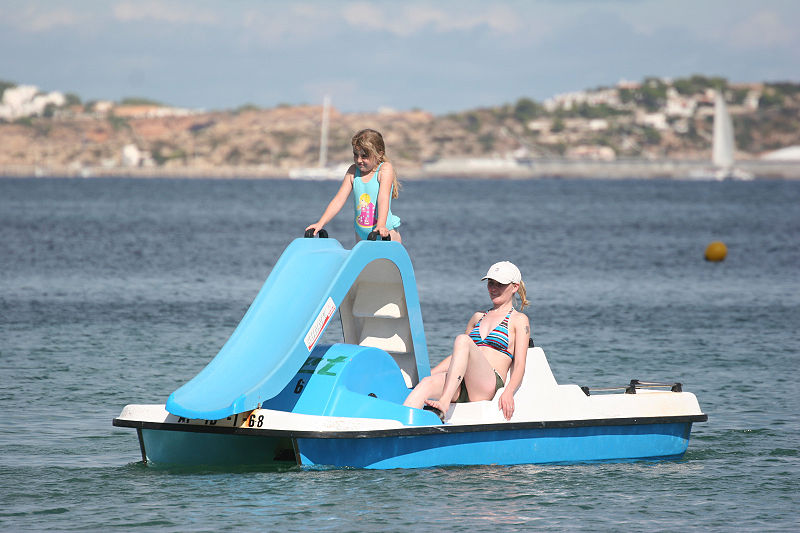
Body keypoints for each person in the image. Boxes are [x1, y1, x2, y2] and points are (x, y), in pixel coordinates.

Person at [403, 261, 531, 421]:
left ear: (514, 287)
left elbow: (520, 364)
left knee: (463, 340)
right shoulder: (478, 317)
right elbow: (460, 356)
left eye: (500, 284)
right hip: (462, 382)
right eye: (491, 283)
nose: (493, 288)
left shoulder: (519, 320)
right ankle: (399, 426)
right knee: (426, 384)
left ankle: (444, 403)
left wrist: (509, 392)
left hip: (488, 385)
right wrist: (428, 374)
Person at [306, 129, 402, 242]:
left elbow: (383, 198)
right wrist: (320, 223)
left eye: (364, 156)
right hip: (361, 233)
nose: (359, 160)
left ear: (379, 154)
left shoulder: (384, 169)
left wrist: (381, 225)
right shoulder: (353, 171)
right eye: (356, 155)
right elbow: (339, 199)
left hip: (385, 233)